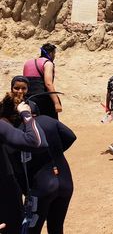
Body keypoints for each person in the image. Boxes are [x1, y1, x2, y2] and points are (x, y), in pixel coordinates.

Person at [3, 76, 75, 234]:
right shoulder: (49, 121)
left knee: (30, 230)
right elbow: (71, 136)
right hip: (66, 182)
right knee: (56, 228)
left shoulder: (20, 134)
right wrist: (54, 152)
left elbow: (16, 169)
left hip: (42, 187)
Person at [0, 77, 47, 234]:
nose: (19, 91)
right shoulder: (6, 105)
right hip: (10, 155)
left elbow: (38, 127)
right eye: (16, 88)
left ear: (28, 90)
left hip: (26, 155)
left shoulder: (32, 106)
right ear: (11, 88)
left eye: (23, 88)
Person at [23, 43, 62, 119]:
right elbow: (48, 84)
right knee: (51, 124)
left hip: (28, 99)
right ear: (51, 53)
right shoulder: (47, 63)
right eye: (54, 54)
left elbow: (24, 82)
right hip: (42, 99)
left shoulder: (27, 63)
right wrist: (56, 103)